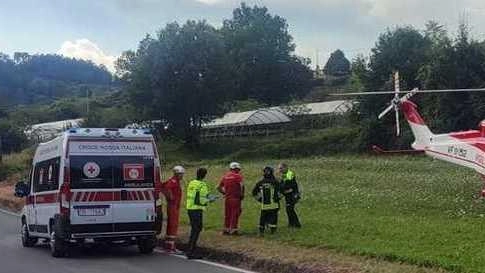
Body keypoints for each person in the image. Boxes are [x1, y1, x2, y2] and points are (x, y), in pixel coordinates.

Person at [185, 167, 216, 259]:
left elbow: (195, 196)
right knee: (196, 230)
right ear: (204, 175)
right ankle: (191, 252)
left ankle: (190, 249)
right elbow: (201, 199)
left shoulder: (192, 182)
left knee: (194, 229)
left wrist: (208, 197)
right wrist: (210, 200)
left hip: (190, 208)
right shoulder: (202, 185)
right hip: (197, 209)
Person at [161, 165, 185, 253]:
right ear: (176, 174)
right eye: (181, 174)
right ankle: (170, 247)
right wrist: (170, 197)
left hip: (175, 205)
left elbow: (163, 186)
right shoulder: (173, 181)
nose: (182, 176)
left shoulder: (176, 181)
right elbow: (166, 188)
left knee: (171, 225)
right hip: (173, 206)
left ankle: (169, 245)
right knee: (173, 225)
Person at [217, 162, 244, 235]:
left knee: (227, 214)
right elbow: (242, 186)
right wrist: (242, 195)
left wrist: (225, 193)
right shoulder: (238, 176)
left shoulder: (225, 176)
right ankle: (234, 230)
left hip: (227, 198)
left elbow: (218, 187)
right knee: (235, 214)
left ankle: (226, 230)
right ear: (237, 169)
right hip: (235, 198)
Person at [252, 166, 280, 235]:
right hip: (274, 205)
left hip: (264, 206)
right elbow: (282, 191)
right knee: (273, 219)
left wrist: (260, 199)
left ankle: (261, 231)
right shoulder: (275, 182)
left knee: (263, 218)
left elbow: (254, 192)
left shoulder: (260, 182)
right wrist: (278, 198)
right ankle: (272, 231)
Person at [278, 163, 302, 228]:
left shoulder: (290, 174)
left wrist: (281, 189)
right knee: (288, 209)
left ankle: (297, 224)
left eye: (281, 168)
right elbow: (282, 184)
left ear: (285, 167)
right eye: (279, 168)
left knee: (290, 209)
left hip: (293, 195)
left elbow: (287, 184)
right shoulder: (284, 175)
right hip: (288, 195)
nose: (279, 170)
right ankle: (291, 224)